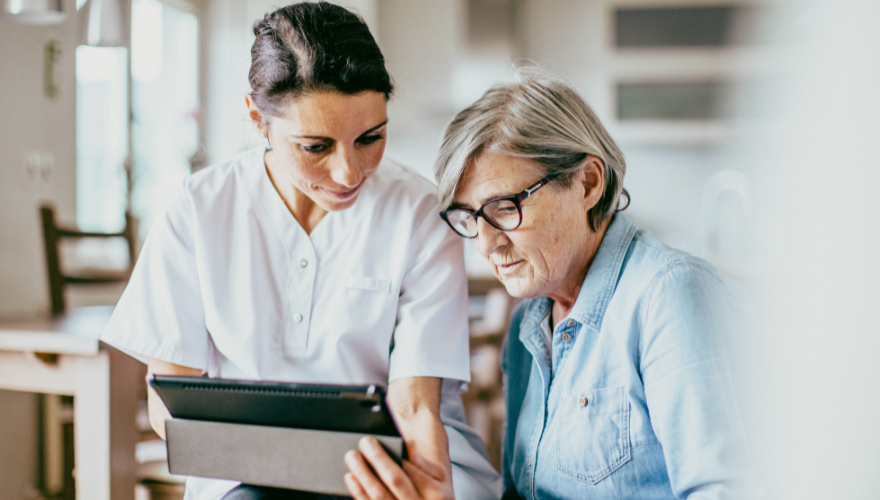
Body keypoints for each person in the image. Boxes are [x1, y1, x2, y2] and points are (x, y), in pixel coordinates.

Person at [100, 3, 501, 500]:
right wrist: (287, 465)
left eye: (370, 138)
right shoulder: (197, 209)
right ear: (257, 118)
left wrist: (421, 487)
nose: (349, 173)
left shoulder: (421, 212)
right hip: (245, 472)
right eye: (316, 146)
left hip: (399, 462)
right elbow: (172, 405)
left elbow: (416, 405)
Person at [343, 68, 756, 500]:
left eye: (504, 208)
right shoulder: (530, 324)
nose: (487, 244)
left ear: (589, 183)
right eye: (469, 218)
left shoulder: (670, 296)